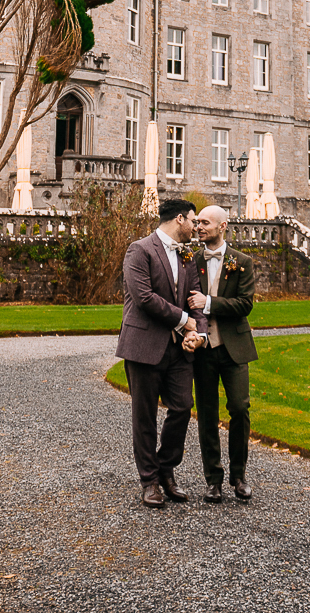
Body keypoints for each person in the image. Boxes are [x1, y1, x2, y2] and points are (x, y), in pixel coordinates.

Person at [116, 198, 206, 508]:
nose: (196, 227)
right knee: (144, 416)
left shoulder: (187, 254)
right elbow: (143, 298)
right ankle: (150, 481)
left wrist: (198, 332)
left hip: (178, 348)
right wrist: (183, 320)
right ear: (180, 219)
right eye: (193, 221)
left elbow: (196, 300)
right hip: (143, 345)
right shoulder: (139, 250)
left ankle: (166, 469)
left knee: (182, 407)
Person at [188, 205, 257, 501]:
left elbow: (245, 305)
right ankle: (213, 479)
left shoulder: (242, 262)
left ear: (223, 226)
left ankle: (239, 476)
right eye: (198, 222)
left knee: (240, 409)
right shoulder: (191, 261)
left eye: (205, 222)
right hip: (203, 350)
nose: (199, 227)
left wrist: (209, 303)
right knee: (206, 413)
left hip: (234, 348)